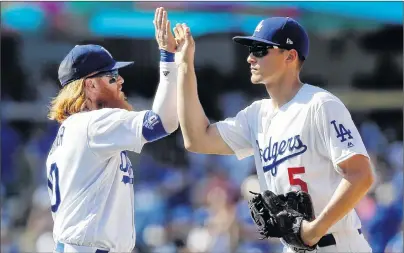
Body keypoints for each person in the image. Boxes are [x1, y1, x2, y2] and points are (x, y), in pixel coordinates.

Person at [174, 17, 374, 252]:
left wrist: (314, 230)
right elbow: (197, 139)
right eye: (251, 50)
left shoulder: (320, 105)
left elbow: (361, 175)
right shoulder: (256, 115)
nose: (250, 57)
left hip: (336, 244)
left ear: (290, 56)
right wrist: (185, 66)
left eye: (260, 50)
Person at [46, 7, 183, 253]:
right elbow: (163, 122)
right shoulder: (92, 124)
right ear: (89, 85)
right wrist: (168, 57)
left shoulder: (73, 130)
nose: (120, 80)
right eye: (112, 75)